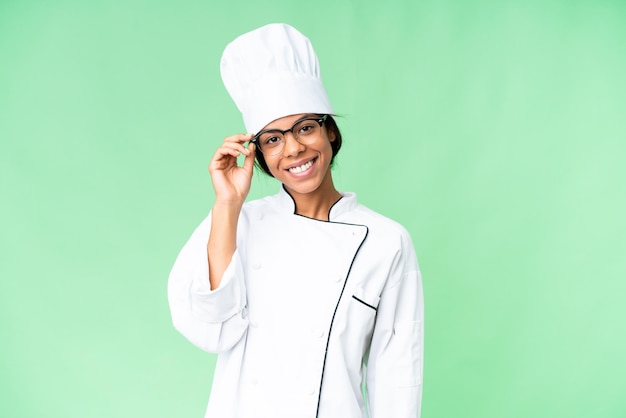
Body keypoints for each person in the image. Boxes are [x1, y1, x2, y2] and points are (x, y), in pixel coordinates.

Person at [168, 23, 424, 418]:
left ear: (330, 132)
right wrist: (227, 204)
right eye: (272, 139)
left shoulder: (386, 241)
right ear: (260, 155)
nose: (293, 149)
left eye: (305, 127)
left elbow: (396, 373)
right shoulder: (238, 220)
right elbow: (210, 327)